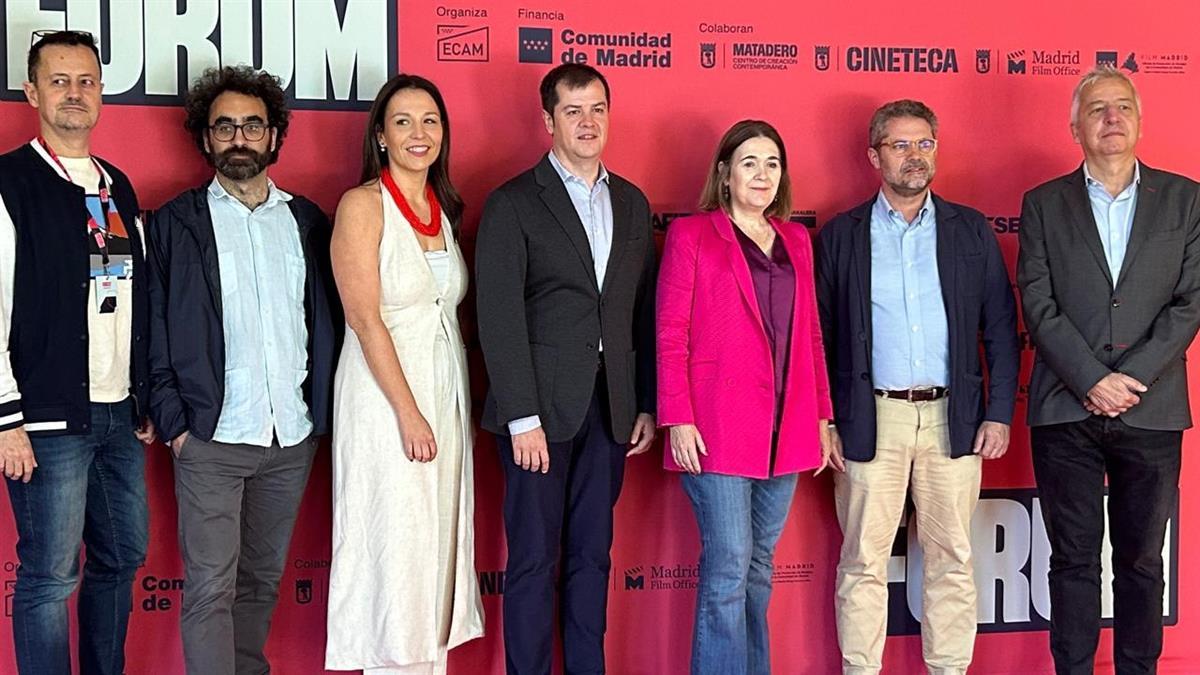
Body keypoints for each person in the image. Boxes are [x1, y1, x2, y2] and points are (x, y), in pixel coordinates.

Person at [816, 99, 1020, 675]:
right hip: (867, 419)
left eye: (924, 144)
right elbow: (820, 336)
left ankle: (949, 670)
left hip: (951, 419)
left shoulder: (970, 230)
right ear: (874, 155)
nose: (914, 156)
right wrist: (825, 417)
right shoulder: (841, 235)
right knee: (861, 561)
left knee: (952, 558)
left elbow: (1001, 329)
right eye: (900, 145)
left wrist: (999, 412)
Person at [146, 65, 338, 675]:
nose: (239, 137)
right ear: (204, 138)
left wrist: (318, 417)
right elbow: (151, 330)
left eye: (252, 125)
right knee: (210, 590)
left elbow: (328, 322)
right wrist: (175, 422)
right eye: (223, 125)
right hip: (211, 436)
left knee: (260, 581)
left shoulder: (307, 222)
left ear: (274, 135)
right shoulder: (175, 223)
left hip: (290, 436)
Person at [1017, 66, 1200, 675]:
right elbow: (1038, 303)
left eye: (1123, 106)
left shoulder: (1186, 198)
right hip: (1066, 407)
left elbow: (1190, 302)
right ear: (1076, 127)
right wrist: (1091, 379)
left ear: (1140, 121)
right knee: (1072, 561)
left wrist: (1131, 379)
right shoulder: (1042, 204)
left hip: (1153, 408)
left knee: (1143, 560)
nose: (1111, 118)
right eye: (1097, 109)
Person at [475, 63, 657, 675]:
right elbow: (497, 318)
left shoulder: (632, 202)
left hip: (609, 411)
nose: (588, 122)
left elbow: (636, 310)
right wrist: (522, 416)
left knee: (593, 557)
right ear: (548, 119)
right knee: (531, 560)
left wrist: (643, 404)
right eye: (574, 110)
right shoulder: (513, 202)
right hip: (538, 417)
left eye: (598, 108)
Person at [0, 28, 153, 675]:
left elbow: (125, 296)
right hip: (46, 418)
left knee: (120, 557)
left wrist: (142, 391)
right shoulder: (10, 182)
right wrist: (6, 417)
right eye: (59, 80)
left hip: (117, 414)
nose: (73, 93)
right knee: (49, 575)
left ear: (101, 92)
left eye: (85, 80)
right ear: (33, 91)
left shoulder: (116, 185)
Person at [656, 120, 834, 674]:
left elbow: (811, 336)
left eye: (773, 164)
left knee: (759, 569)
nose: (763, 174)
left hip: (785, 428)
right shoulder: (692, 235)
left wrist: (823, 417)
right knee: (729, 569)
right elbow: (669, 332)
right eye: (750, 162)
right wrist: (677, 417)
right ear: (725, 174)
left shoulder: (797, 240)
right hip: (716, 427)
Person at [324, 73, 484, 674]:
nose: (419, 133)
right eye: (403, 122)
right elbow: (365, 320)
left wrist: (434, 409)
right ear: (381, 136)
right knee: (395, 543)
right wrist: (408, 412)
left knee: (432, 546)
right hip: (386, 402)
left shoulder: (442, 210)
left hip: (443, 394)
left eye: (430, 121)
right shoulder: (362, 205)